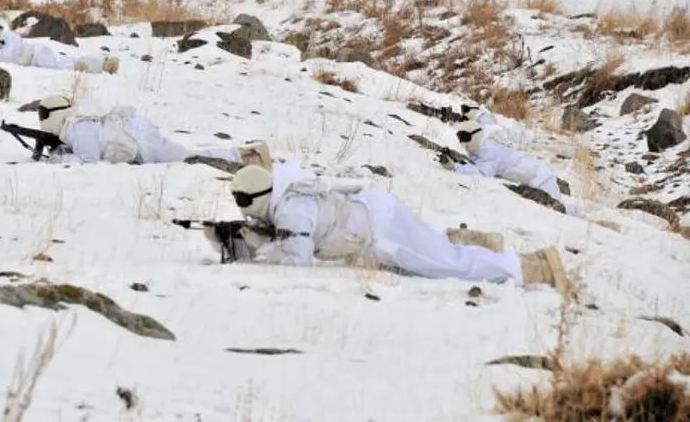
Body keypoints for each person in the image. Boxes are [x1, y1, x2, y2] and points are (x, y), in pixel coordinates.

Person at [207, 158, 568, 295]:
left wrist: (254, 252)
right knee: (435, 254)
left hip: (382, 232)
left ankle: (533, 268)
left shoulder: (292, 211)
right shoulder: (282, 197)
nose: (243, 209)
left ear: (258, 195)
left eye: (243, 202)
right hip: (375, 221)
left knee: (444, 266)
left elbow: (295, 263)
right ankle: (480, 243)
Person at [36, 93, 272, 168]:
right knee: (184, 155)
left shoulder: (78, 127)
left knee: (187, 159)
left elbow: (87, 160)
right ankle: (243, 156)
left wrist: (57, 158)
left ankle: (247, 157)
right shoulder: (77, 124)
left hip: (138, 140)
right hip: (134, 132)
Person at [443, 119, 579, 215]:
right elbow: (477, 165)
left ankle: (577, 213)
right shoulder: (483, 148)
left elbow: (483, 173)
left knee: (558, 213)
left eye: (465, 137)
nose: (462, 142)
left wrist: (455, 167)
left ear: (475, 135)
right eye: (459, 137)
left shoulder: (490, 149)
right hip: (536, 177)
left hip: (541, 179)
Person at [0, 24, 118, 74]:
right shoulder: (3, 39)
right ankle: (103, 64)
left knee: (63, 65)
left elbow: (8, 56)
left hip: (36, 54)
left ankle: (101, 65)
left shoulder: (9, 36)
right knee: (67, 60)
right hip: (36, 55)